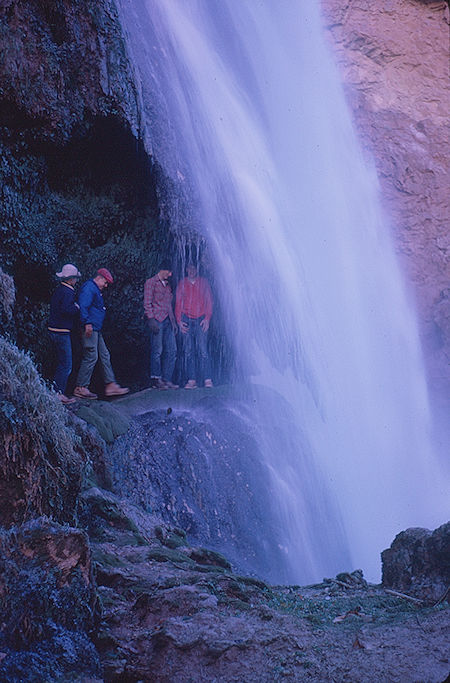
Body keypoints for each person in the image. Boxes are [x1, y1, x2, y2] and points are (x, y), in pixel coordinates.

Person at [73, 268, 129, 399]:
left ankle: (110, 385)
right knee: (91, 355)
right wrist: (86, 323)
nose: (106, 285)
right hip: (89, 328)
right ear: (100, 278)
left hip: (96, 329)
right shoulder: (89, 288)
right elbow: (83, 305)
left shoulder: (95, 290)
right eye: (106, 282)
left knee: (104, 355)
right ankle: (81, 387)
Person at [175, 263, 213, 389]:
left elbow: (209, 300)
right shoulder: (182, 283)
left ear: (197, 269)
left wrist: (207, 318)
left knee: (203, 350)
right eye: (189, 268)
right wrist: (179, 321)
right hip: (186, 319)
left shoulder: (204, 282)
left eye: (193, 268)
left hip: (201, 318)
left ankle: (208, 379)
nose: (191, 270)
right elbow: (178, 302)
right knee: (188, 351)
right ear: (186, 269)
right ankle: (192, 380)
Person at [48, 263, 81, 404]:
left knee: (61, 363)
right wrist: (76, 307)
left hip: (53, 330)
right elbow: (66, 309)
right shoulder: (68, 292)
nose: (76, 281)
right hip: (61, 332)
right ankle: (58, 394)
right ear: (71, 279)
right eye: (75, 278)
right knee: (66, 365)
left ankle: (55, 391)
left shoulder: (59, 290)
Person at [143, 262, 179, 389]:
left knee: (172, 350)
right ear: (163, 270)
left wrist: (174, 323)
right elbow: (147, 302)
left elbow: (169, 306)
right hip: (157, 320)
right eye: (169, 272)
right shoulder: (151, 283)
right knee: (157, 350)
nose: (170, 275)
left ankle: (167, 379)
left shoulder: (168, 286)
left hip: (168, 320)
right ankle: (156, 379)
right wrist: (151, 319)